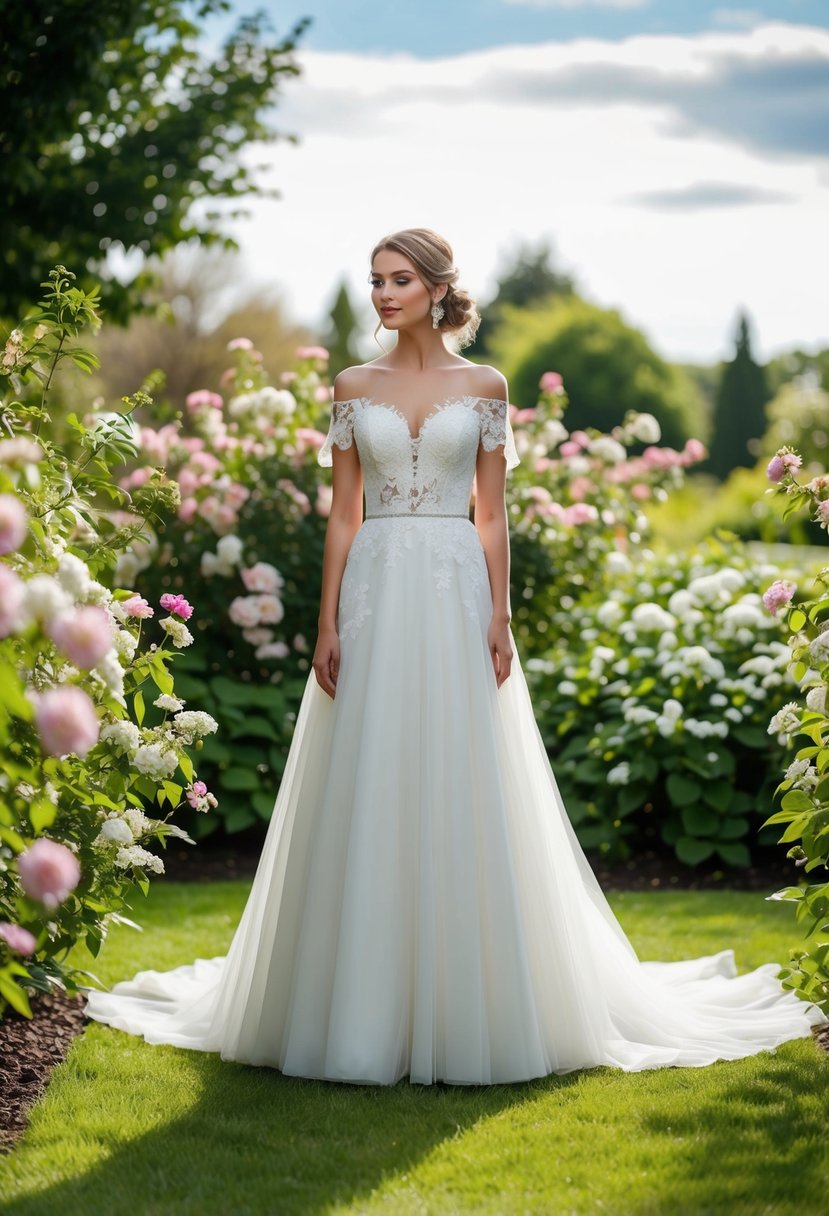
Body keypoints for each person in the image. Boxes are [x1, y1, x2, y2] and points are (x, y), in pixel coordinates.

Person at [84, 227, 827, 1085]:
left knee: (459, 768)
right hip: (371, 589)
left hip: (450, 587)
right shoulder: (350, 386)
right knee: (366, 769)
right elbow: (340, 513)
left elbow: (491, 511)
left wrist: (500, 614)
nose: (384, 293)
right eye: (375, 280)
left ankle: (472, 994)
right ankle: (354, 999)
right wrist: (325, 622)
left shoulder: (484, 386)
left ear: (438, 289)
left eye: (400, 279)